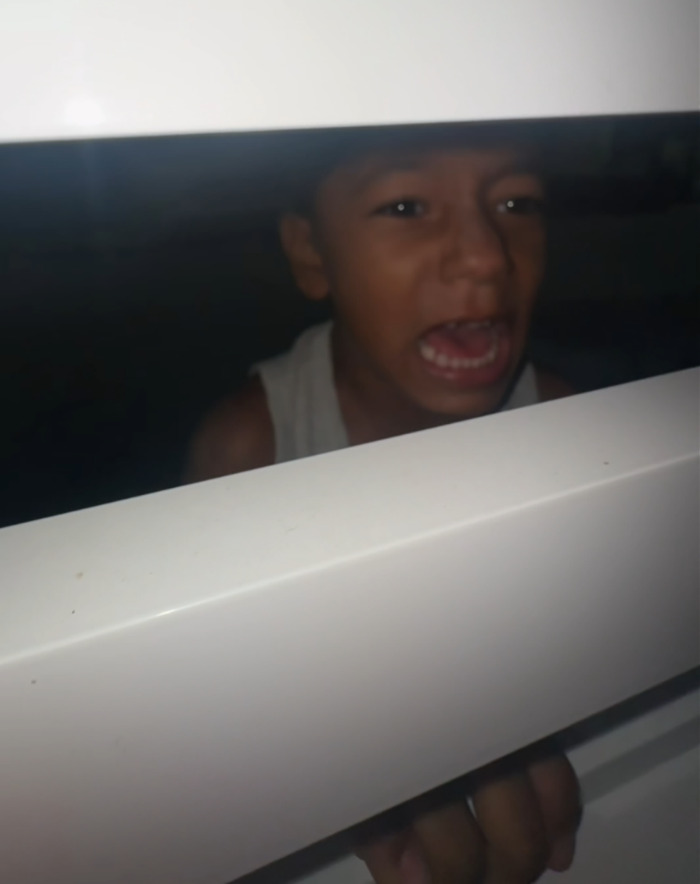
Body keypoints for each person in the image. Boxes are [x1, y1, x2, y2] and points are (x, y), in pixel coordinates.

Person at [185, 122, 582, 884]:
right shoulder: (250, 451)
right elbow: (223, 703)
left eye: (518, 202)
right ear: (310, 251)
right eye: (405, 207)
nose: (484, 257)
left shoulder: (569, 427)